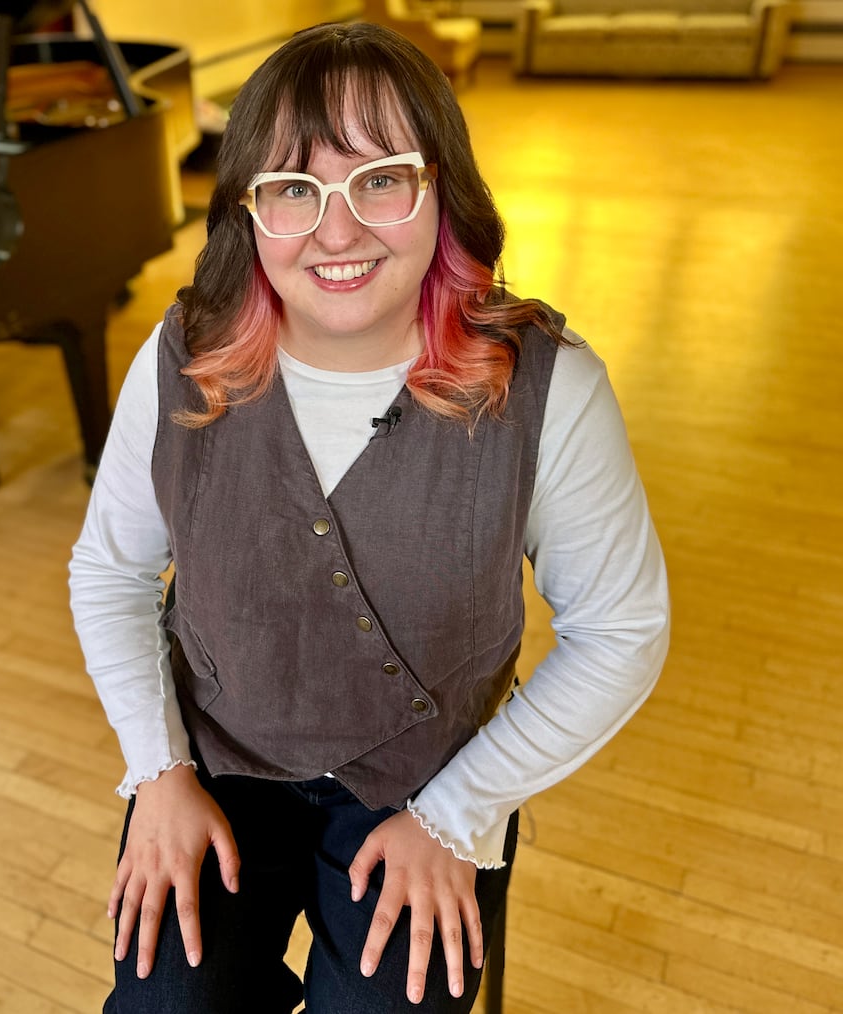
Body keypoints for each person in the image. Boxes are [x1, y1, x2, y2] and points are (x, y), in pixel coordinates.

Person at [69, 20, 668, 1014]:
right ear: (247, 210)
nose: (335, 232)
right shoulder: (179, 356)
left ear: (442, 188)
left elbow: (621, 632)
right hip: (215, 763)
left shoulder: (550, 389)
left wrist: (456, 816)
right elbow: (112, 572)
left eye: (378, 178)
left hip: (426, 784)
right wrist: (157, 772)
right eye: (293, 188)